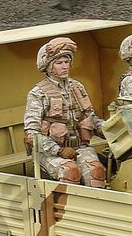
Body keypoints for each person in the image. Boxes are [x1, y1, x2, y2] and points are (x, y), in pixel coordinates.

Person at [23, 37, 107, 187]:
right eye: (58, 63)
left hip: (80, 147)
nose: (64, 67)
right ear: (49, 66)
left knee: (97, 171)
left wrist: (110, 131)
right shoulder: (38, 93)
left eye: (66, 62)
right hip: (50, 152)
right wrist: (59, 150)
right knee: (70, 172)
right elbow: (31, 134)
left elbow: (90, 118)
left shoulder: (77, 87)